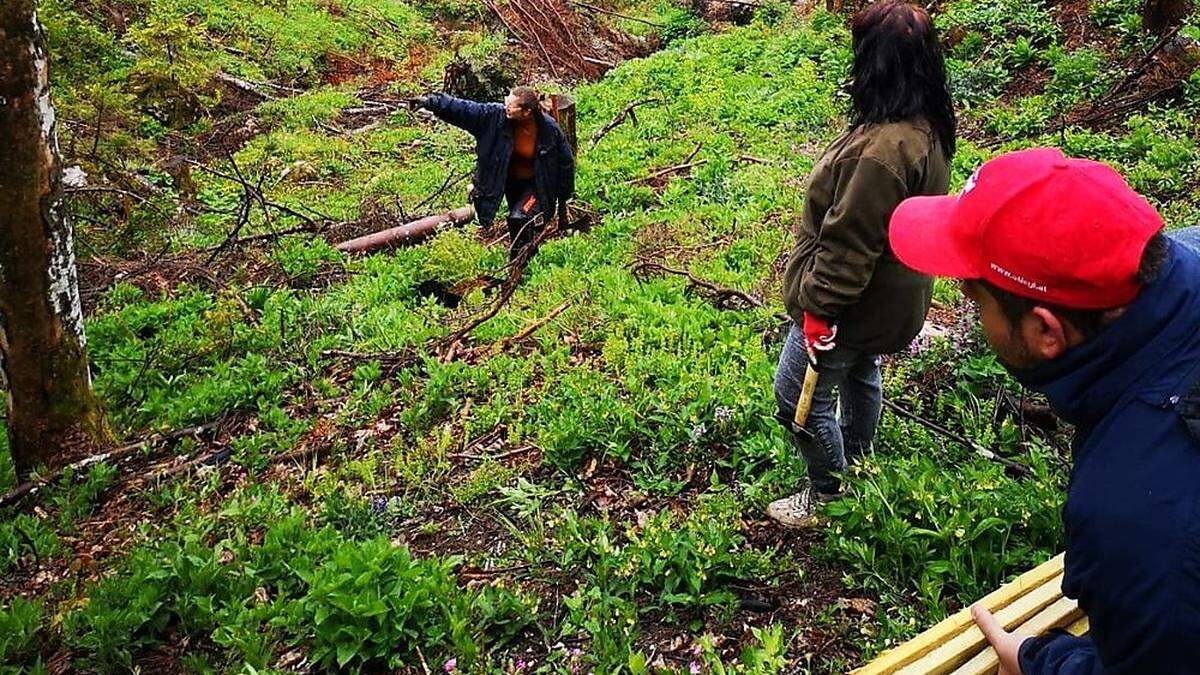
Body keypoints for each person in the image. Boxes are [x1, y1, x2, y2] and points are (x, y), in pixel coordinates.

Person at [888, 146, 1200, 673]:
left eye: (974, 299)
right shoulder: (1182, 263)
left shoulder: (1140, 524)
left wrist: (1042, 660)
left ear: (1045, 331)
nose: (972, 311)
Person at [769, 0, 956, 527]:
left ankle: (828, 494)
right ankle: (858, 456)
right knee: (861, 372)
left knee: (797, 402)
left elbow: (848, 247)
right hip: (893, 299)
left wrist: (819, 311)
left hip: (854, 304)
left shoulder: (883, 151)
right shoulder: (925, 124)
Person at [411, 87, 575, 259]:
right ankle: (525, 255)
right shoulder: (493, 117)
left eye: (511, 105)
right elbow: (463, 109)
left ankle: (519, 264)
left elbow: (565, 163)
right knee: (517, 221)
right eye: (506, 102)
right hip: (509, 183)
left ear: (527, 111)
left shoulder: (548, 130)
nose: (506, 107)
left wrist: (563, 195)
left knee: (520, 218)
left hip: (536, 185)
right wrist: (430, 102)